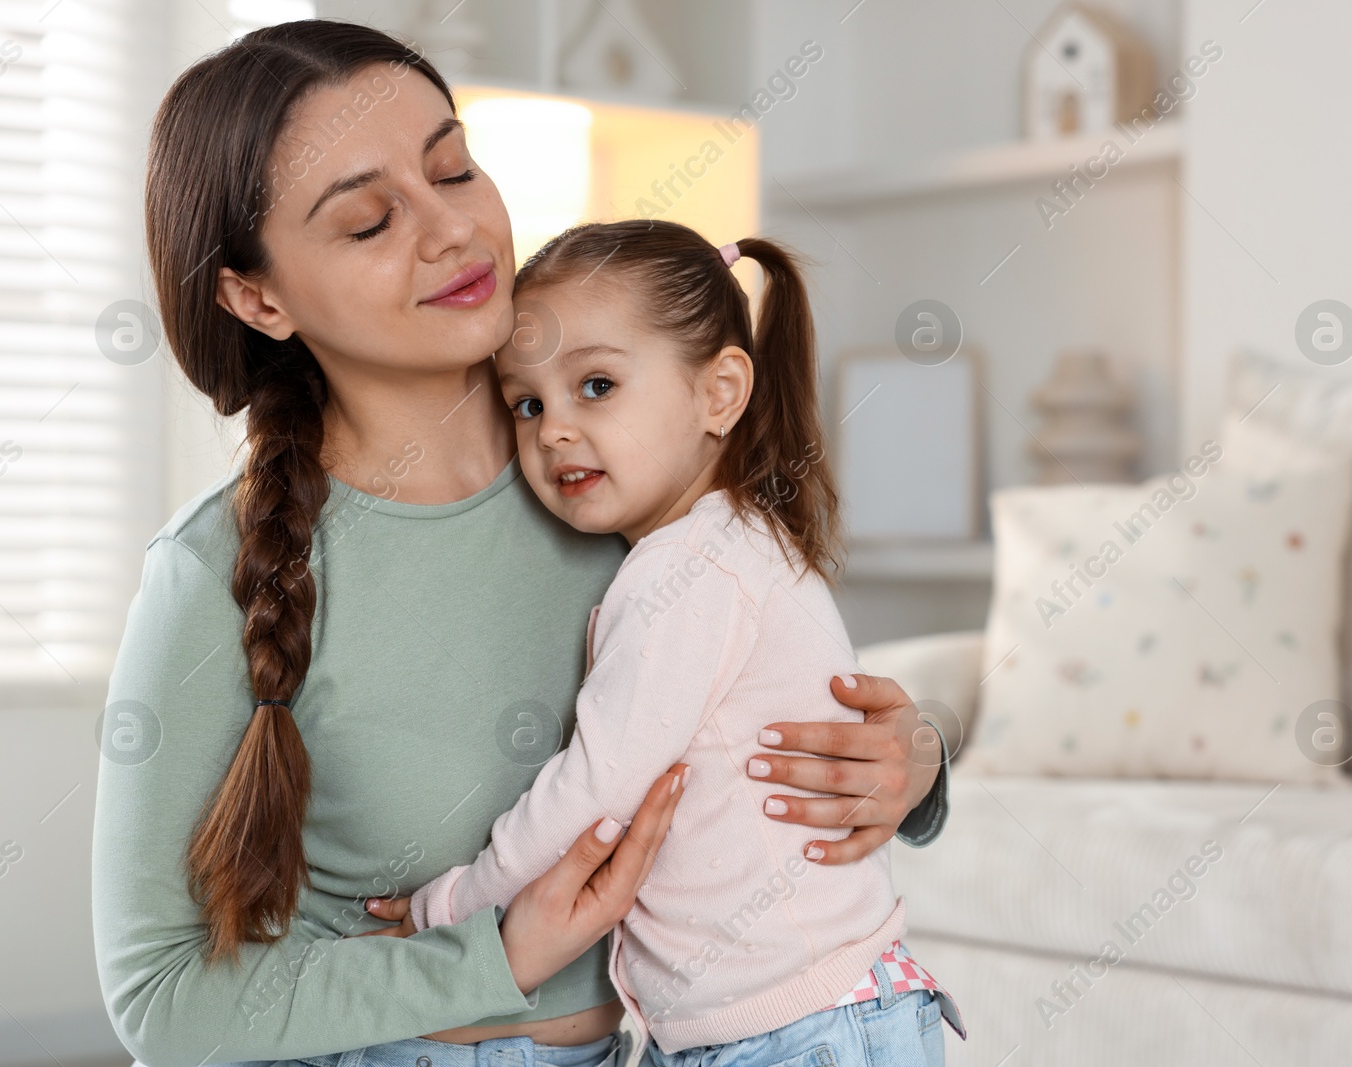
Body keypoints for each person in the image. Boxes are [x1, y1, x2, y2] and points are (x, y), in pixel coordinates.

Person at [93, 20, 950, 1067]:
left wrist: (915, 759)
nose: (451, 230)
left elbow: (760, 680)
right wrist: (489, 953)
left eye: (453, 168)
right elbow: (159, 995)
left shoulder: (624, 473)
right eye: (369, 220)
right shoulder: (210, 570)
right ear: (257, 295)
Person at [372, 219, 967, 1066]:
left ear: (720, 393)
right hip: (786, 1020)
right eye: (528, 403)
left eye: (598, 385)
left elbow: (596, 791)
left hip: (797, 1030)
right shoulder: (730, 544)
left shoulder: (688, 567)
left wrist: (455, 906)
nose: (553, 431)